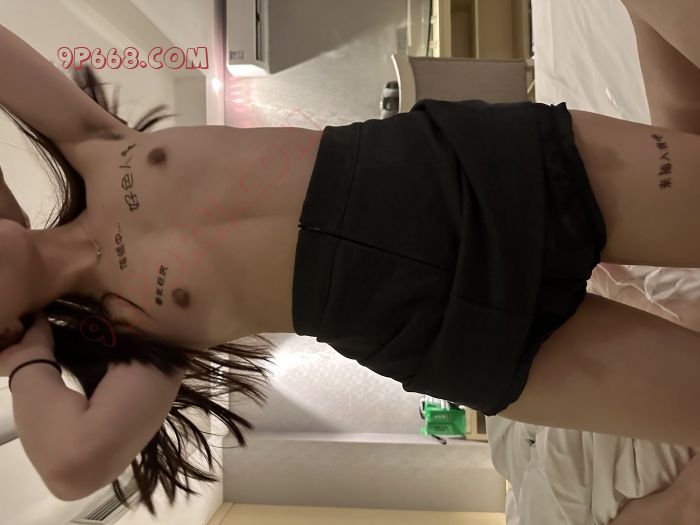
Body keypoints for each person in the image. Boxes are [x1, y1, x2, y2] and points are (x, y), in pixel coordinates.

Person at [0, 1, 698, 515]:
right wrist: (25, 352)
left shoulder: (91, 144)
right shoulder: (136, 333)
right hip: (457, 334)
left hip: (480, 172)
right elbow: (71, 463)